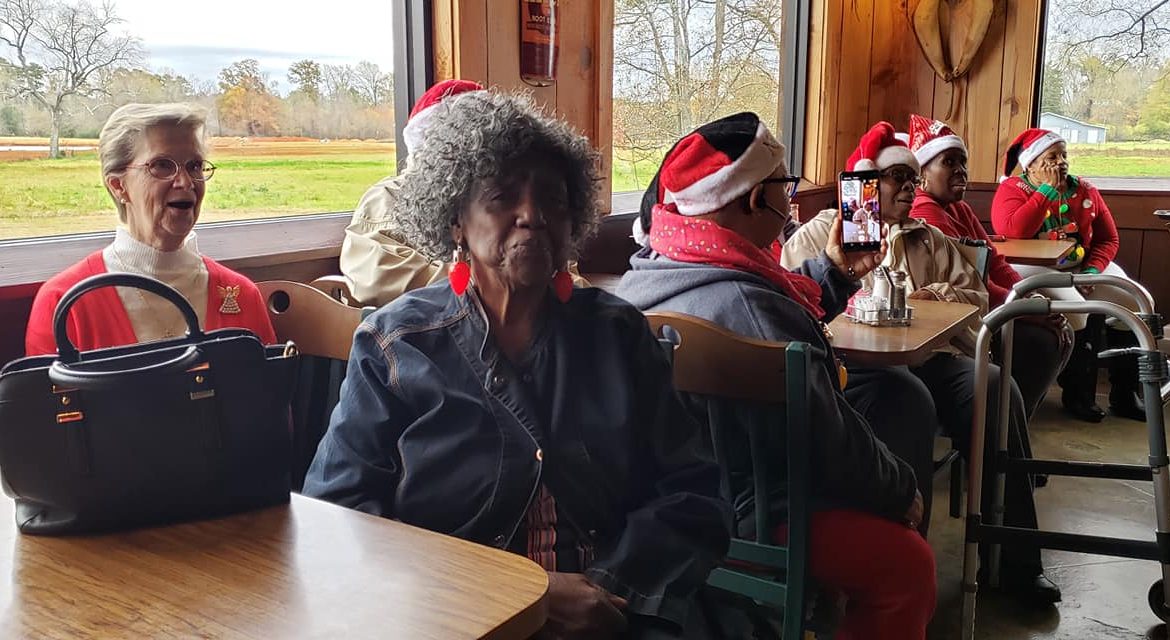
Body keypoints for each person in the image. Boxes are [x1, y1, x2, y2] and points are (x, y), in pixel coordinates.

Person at [302, 90, 731, 639]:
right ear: (456, 221)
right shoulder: (395, 345)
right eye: (502, 196)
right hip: (453, 617)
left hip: (613, 614)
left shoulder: (619, 335)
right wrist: (523, 594)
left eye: (552, 198)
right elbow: (337, 514)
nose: (532, 215)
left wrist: (609, 590)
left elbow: (694, 493)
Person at [616, 113, 936, 640]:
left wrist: (832, 270)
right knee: (909, 566)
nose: (790, 200)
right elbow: (832, 442)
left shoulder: (649, 274)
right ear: (753, 199)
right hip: (756, 517)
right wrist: (902, 491)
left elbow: (757, 305)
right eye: (784, 186)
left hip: (664, 506)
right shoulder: (755, 308)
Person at [783, 122, 1061, 604]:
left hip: (932, 357)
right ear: (865, 182)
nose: (910, 188)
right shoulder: (821, 233)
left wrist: (938, 294)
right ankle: (907, 571)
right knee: (904, 402)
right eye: (898, 177)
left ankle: (1014, 561)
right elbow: (792, 298)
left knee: (995, 387)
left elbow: (976, 294)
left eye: (913, 179)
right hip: (854, 366)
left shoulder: (928, 238)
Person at [25, 103, 275, 356]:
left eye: (194, 166)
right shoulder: (64, 304)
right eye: (163, 165)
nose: (186, 182)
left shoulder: (242, 296)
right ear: (118, 186)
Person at [340, 79, 586, 307]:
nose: (529, 215)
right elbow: (376, 278)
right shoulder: (387, 198)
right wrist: (491, 281)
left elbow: (565, 276)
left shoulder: (529, 194)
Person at [907, 114, 1072, 419]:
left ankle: (1010, 426)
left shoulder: (959, 208)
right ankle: (1000, 430)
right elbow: (973, 284)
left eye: (963, 162)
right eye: (949, 162)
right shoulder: (925, 214)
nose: (960, 170)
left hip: (984, 307)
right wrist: (1027, 310)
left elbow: (995, 262)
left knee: (1058, 332)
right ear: (922, 173)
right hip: (957, 321)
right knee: (1042, 342)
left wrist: (1028, 297)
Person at [992, 127, 1143, 422]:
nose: (1061, 163)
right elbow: (1013, 230)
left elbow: (1108, 239)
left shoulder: (1085, 191)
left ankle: (1125, 393)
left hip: (1080, 265)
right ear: (1031, 165)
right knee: (1077, 310)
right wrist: (1046, 191)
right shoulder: (1012, 189)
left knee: (1132, 300)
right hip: (1032, 266)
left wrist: (1092, 270)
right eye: (1052, 157)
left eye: (1063, 155)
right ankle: (1078, 393)